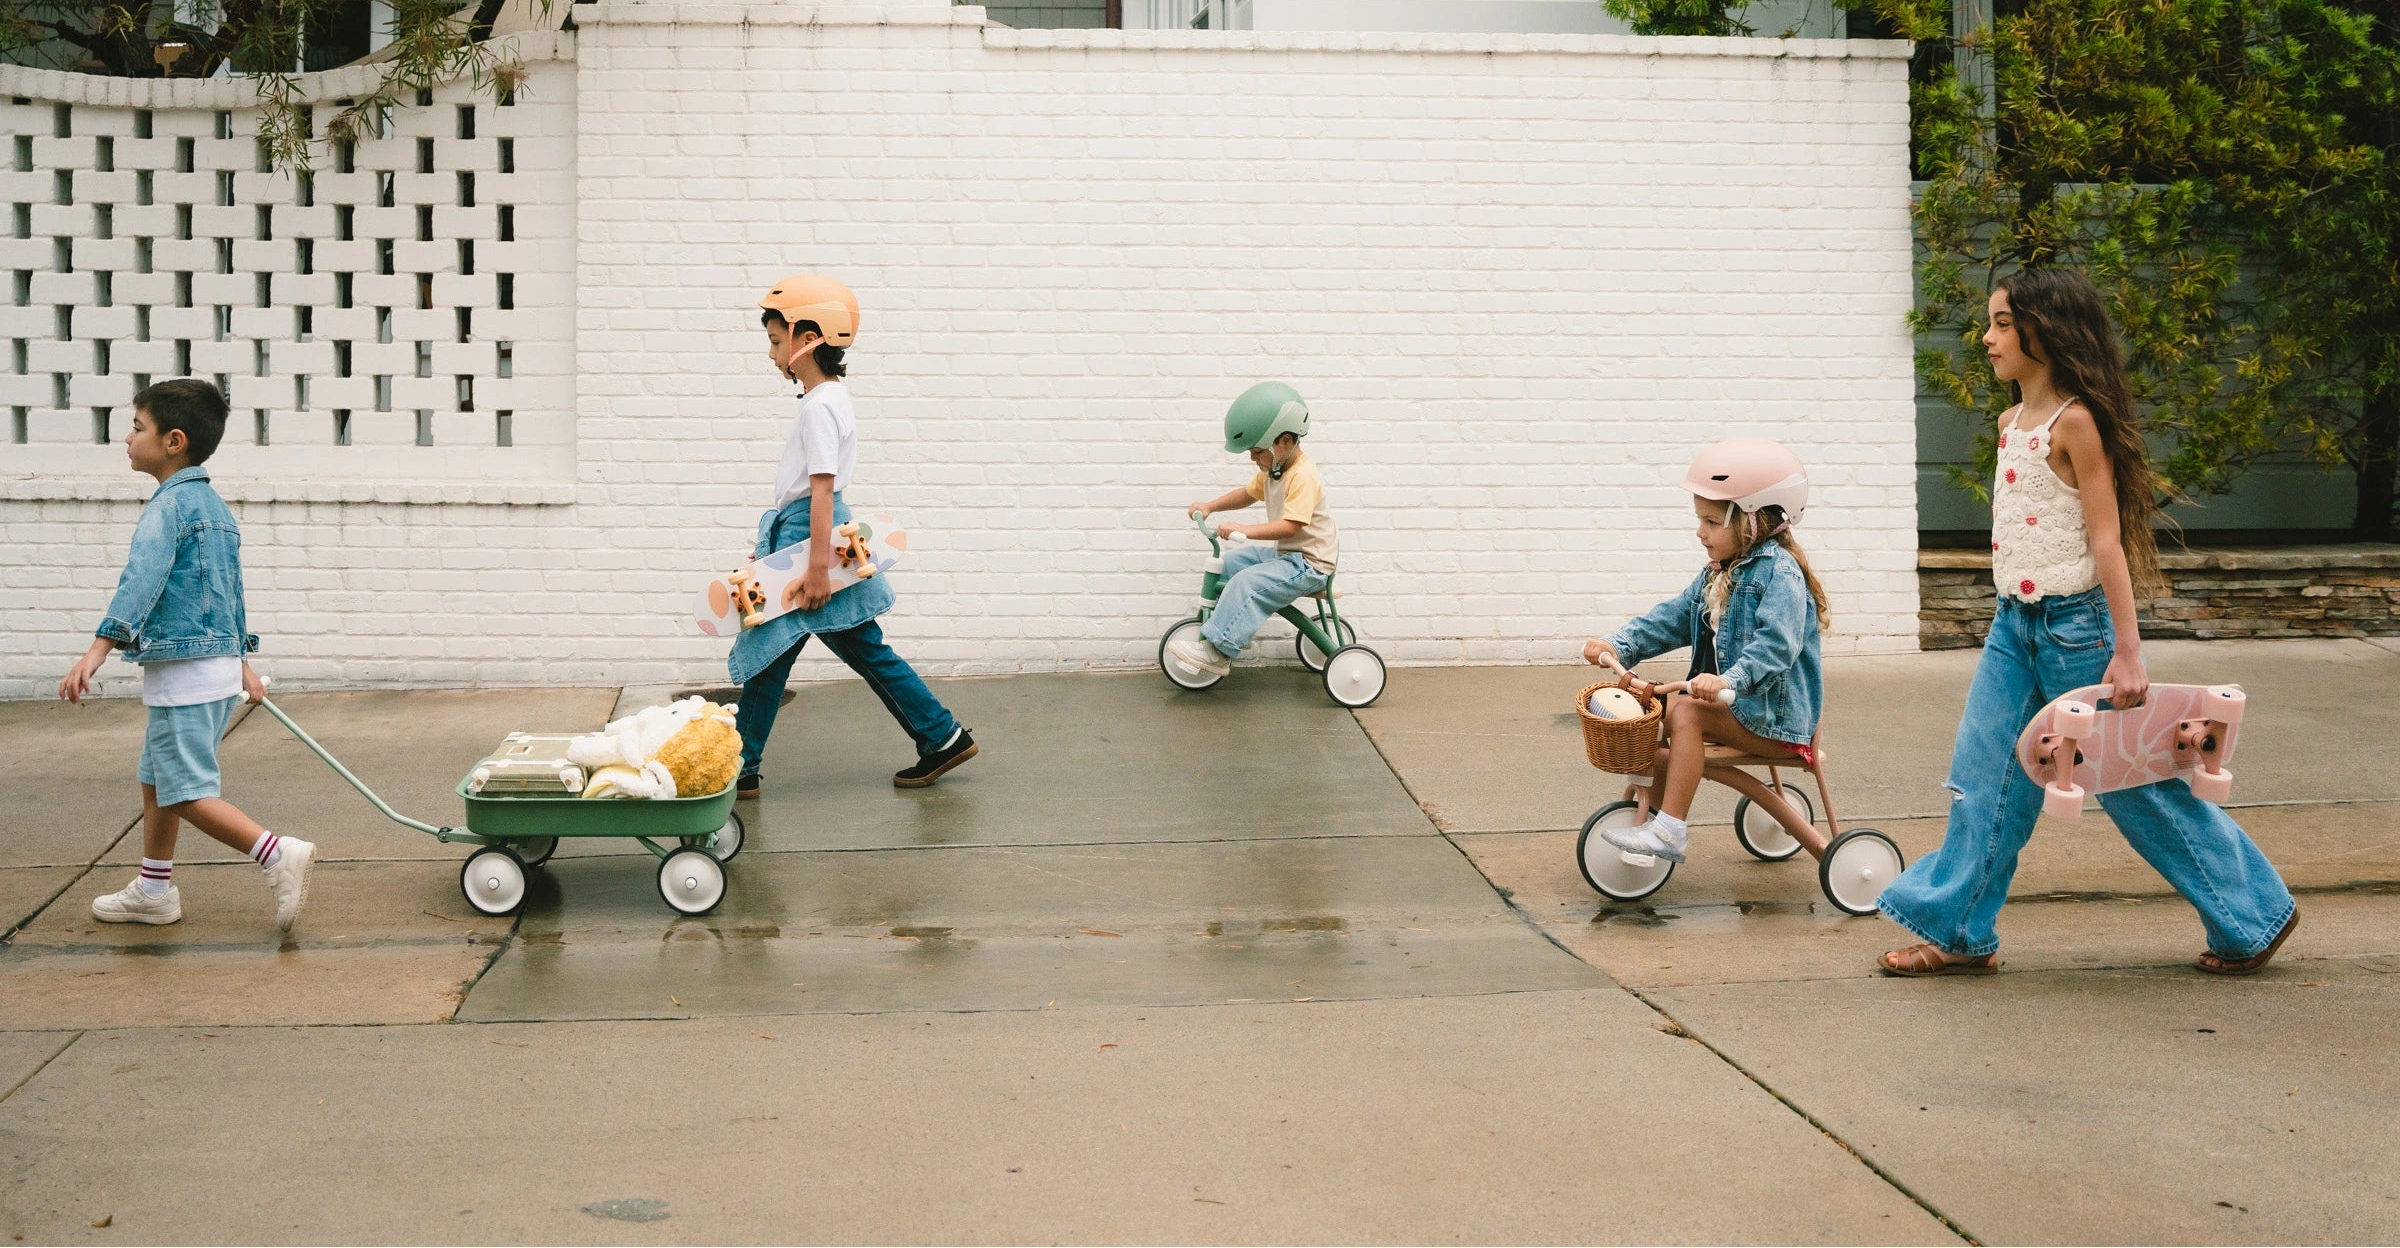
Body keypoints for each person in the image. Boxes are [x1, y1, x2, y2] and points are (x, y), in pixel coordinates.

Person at [1873, 267, 2298, 976]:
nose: (1987, 338)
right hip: (2012, 630)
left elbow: (2107, 541)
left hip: (2077, 632)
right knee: (1984, 777)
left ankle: (2253, 917)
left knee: (2136, 786)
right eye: (1990, 323)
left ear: (2044, 331)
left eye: (2002, 324)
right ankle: (1960, 933)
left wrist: (2128, 652)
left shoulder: (2075, 423)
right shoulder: (2010, 423)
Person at [57, 379, 314, 931]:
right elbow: (226, 593)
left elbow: (140, 581)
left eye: (137, 428)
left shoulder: (169, 507)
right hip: (211, 670)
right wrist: (241, 662)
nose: (127, 439)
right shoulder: (214, 508)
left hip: (186, 676)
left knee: (185, 791)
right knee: (156, 779)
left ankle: (276, 853)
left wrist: (98, 648)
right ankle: (154, 890)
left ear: (173, 441)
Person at [731, 274, 977, 794]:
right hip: (805, 533)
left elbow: (821, 489)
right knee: (857, 647)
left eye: (775, 341)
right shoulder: (829, 398)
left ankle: (739, 765)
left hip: (810, 536)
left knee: (770, 651)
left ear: (807, 339)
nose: (771, 354)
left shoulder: (819, 407)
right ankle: (942, 736)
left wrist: (816, 567)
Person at [1581, 439, 1831, 862]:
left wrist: (1727, 681)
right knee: (1657, 713)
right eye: (1700, 520)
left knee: (1686, 713)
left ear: (1752, 521)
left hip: (1776, 723)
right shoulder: (1718, 573)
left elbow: (1775, 649)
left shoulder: (1781, 576)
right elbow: (1675, 616)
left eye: (1712, 522)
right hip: (1743, 713)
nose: (1700, 532)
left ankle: (1669, 830)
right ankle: (1653, 818)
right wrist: (1618, 644)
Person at [1166, 382, 1340, 680]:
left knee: (1246, 583)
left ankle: (1218, 651)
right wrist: (1210, 506)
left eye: (1257, 451)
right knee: (1228, 565)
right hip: (1287, 556)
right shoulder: (1274, 470)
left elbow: (1291, 526)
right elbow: (1247, 494)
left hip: (1309, 564)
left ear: (1285, 440)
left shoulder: (1303, 475)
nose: (1252, 458)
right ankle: (1229, 627)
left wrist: (1245, 530)